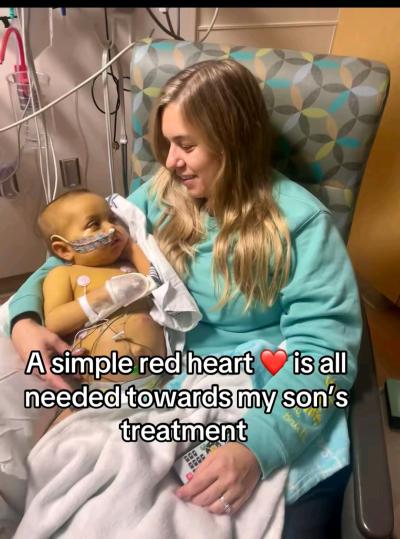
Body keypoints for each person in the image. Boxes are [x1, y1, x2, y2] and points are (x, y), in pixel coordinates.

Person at [9, 59, 362, 538]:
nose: (170, 161)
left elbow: (325, 349)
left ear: (233, 140)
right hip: (156, 375)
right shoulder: (157, 196)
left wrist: (256, 447)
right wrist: (24, 320)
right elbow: (67, 259)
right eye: (167, 144)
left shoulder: (300, 224)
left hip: (252, 384)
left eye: (186, 145)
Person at [35, 189, 167, 425]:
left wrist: (132, 249)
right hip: (102, 390)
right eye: (94, 224)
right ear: (64, 249)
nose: (112, 228)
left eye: (112, 219)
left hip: (156, 382)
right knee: (72, 434)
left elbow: (159, 283)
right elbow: (54, 322)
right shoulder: (65, 275)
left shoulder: (128, 266)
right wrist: (104, 296)